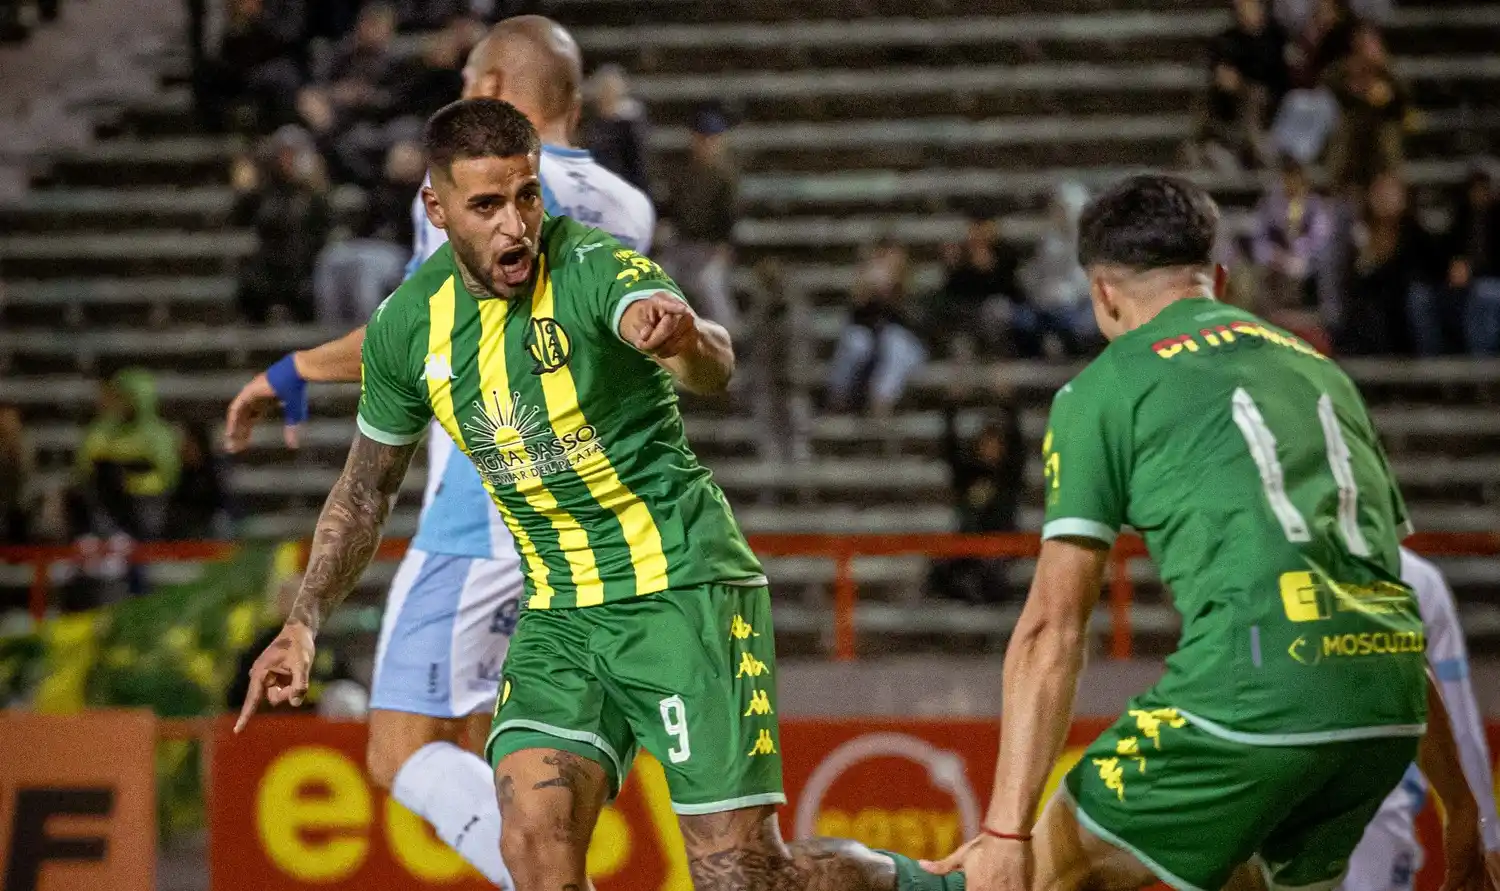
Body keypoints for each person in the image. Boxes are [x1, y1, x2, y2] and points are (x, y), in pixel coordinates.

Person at [235, 97, 961, 891]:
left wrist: (683, 337)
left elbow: (714, 362)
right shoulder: (410, 324)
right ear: (435, 209)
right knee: (532, 844)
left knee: (745, 879)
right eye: (486, 205)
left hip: (680, 591)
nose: (515, 225)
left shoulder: (593, 267)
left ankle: (936, 884)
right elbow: (364, 492)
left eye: (526, 195)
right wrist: (303, 620)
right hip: (560, 618)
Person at [922, 174, 1490, 891]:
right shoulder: (1323, 372)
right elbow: (1385, 591)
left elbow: (1052, 629)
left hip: (1254, 699)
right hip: (1386, 717)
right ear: (1216, 279)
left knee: (1040, 867)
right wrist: (1463, 805)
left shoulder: (1104, 387)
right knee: (1240, 874)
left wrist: (1006, 832)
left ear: (1102, 294)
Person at [222, 17, 655, 888]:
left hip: (485, 518)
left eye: (466, 79)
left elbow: (422, 328)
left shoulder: (472, 193)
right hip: (599, 529)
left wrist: (296, 368)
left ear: (492, 90)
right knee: (513, 764)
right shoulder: (630, 208)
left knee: (399, 749)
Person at [1342, 548, 1500, 891]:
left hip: (1310, 809)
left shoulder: (1252, 566)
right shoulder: (1414, 577)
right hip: (1373, 810)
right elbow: (1460, 719)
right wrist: (1484, 830)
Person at [73, 369, 180, 541]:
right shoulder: (103, 431)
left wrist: (132, 480)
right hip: (110, 501)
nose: (121, 403)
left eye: (126, 397)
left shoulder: (159, 434)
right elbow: (86, 468)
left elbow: (168, 477)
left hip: (147, 503)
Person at [660, 107, 741, 333]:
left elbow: (729, 218)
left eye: (711, 139)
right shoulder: (682, 172)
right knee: (659, 278)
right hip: (682, 244)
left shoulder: (725, 176)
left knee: (710, 285)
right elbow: (669, 210)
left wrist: (725, 248)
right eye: (702, 138)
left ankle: (727, 340)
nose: (706, 144)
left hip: (711, 247)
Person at [1250, 154, 1333, 319]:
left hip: (1307, 268)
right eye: (1287, 178)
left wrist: (1298, 255)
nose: (1291, 183)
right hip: (1274, 268)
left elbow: (1320, 240)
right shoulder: (1268, 205)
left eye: (1296, 178)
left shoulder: (1315, 206)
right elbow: (1258, 240)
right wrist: (1273, 255)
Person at [1445, 167, 1500, 356]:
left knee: (1484, 292)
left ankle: (1481, 366)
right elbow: (1445, 254)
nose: (1479, 194)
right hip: (1460, 286)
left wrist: (1473, 270)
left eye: (1483, 189)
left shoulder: (1496, 219)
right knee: (1420, 299)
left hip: (1491, 282)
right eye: (1474, 189)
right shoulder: (1460, 220)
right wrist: (1454, 267)